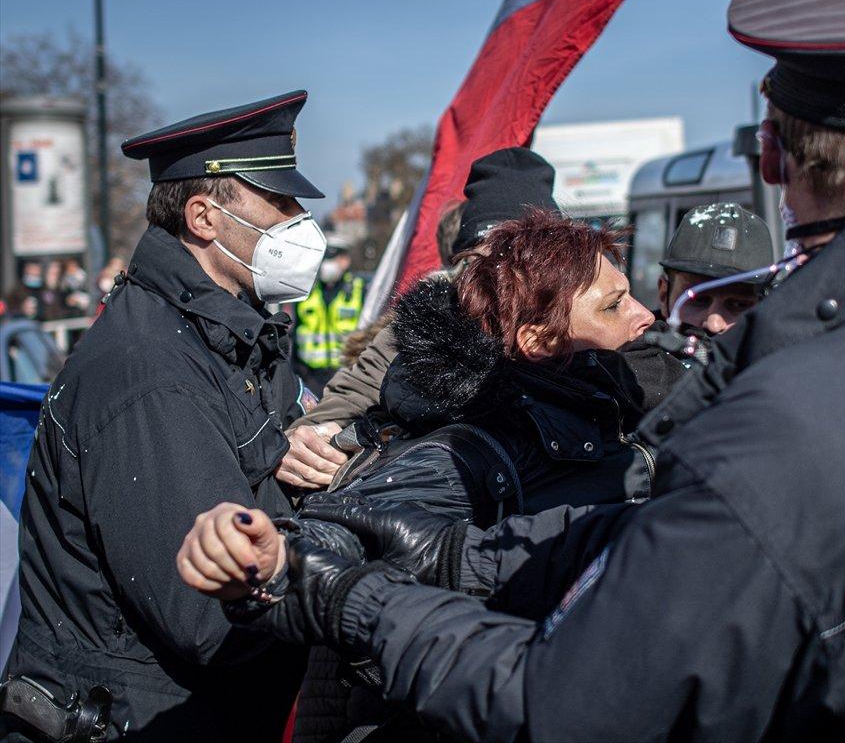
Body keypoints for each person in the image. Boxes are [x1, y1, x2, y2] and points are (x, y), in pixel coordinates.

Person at [179, 0, 845, 742]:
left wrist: (345, 598)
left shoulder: (778, 428)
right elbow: (697, 553)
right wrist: (461, 557)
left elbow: (558, 705)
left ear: (772, 153)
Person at [183, 209, 677, 741]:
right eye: (613, 305)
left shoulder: (617, 403)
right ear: (536, 340)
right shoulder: (473, 447)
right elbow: (349, 526)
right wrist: (270, 557)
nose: (644, 315)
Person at [1, 91, 325, 741]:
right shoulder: (150, 373)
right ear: (204, 218)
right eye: (280, 203)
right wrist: (337, 556)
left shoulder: (231, 334)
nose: (301, 223)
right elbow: (210, 613)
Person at [276, 147, 567, 492]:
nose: (502, 277)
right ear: (462, 265)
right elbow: (346, 401)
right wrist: (310, 442)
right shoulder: (417, 330)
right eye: (487, 261)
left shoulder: (588, 327)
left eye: (522, 259)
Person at [654, 202, 773, 337]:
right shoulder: (638, 347)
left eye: (739, 304)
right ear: (664, 296)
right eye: (698, 300)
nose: (714, 325)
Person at [292, 234, 365, 392]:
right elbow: (296, 332)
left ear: (345, 261)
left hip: (347, 376)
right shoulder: (307, 291)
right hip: (309, 377)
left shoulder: (359, 290)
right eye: (324, 259)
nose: (326, 264)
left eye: (332, 258)